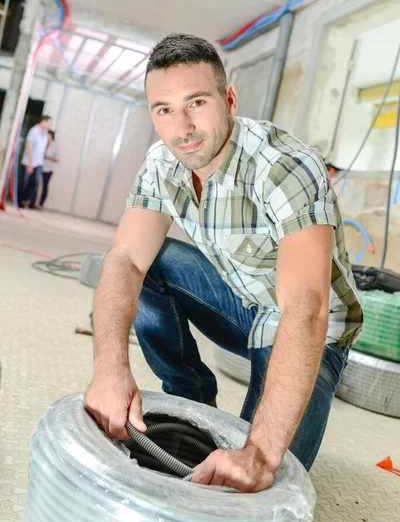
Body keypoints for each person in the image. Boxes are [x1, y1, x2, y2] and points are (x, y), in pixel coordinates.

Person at [84, 34, 363, 492]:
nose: (182, 128)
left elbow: (307, 308)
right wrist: (109, 367)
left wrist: (260, 451)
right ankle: (192, 398)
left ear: (229, 99)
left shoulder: (286, 166)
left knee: (249, 485)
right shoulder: (162, 163)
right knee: (147, 263)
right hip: (243, 303)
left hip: (310, 327)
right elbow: (125, 260)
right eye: (164, 109)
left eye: (196, 102)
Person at [20, 115, 53, 208]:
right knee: (24, 182)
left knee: (35, 183)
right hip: (29, 162)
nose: (50, 126)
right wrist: (30, 163)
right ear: (43, 122)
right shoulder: (33, 131)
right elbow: (29, 147)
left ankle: (29, 202)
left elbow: (44, 146)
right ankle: (20, 201)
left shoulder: (46, 133)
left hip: (39, 162)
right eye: (49, 123)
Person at [38, 130, 58, 209]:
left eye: (48, 135)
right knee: (36, 184)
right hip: (41, 167)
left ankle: (41, 203)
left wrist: (47, 156)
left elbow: (57, 159)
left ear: (51, 136)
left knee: (45, 186)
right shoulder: (43, 143)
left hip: (48, 169)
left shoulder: (54, 146)